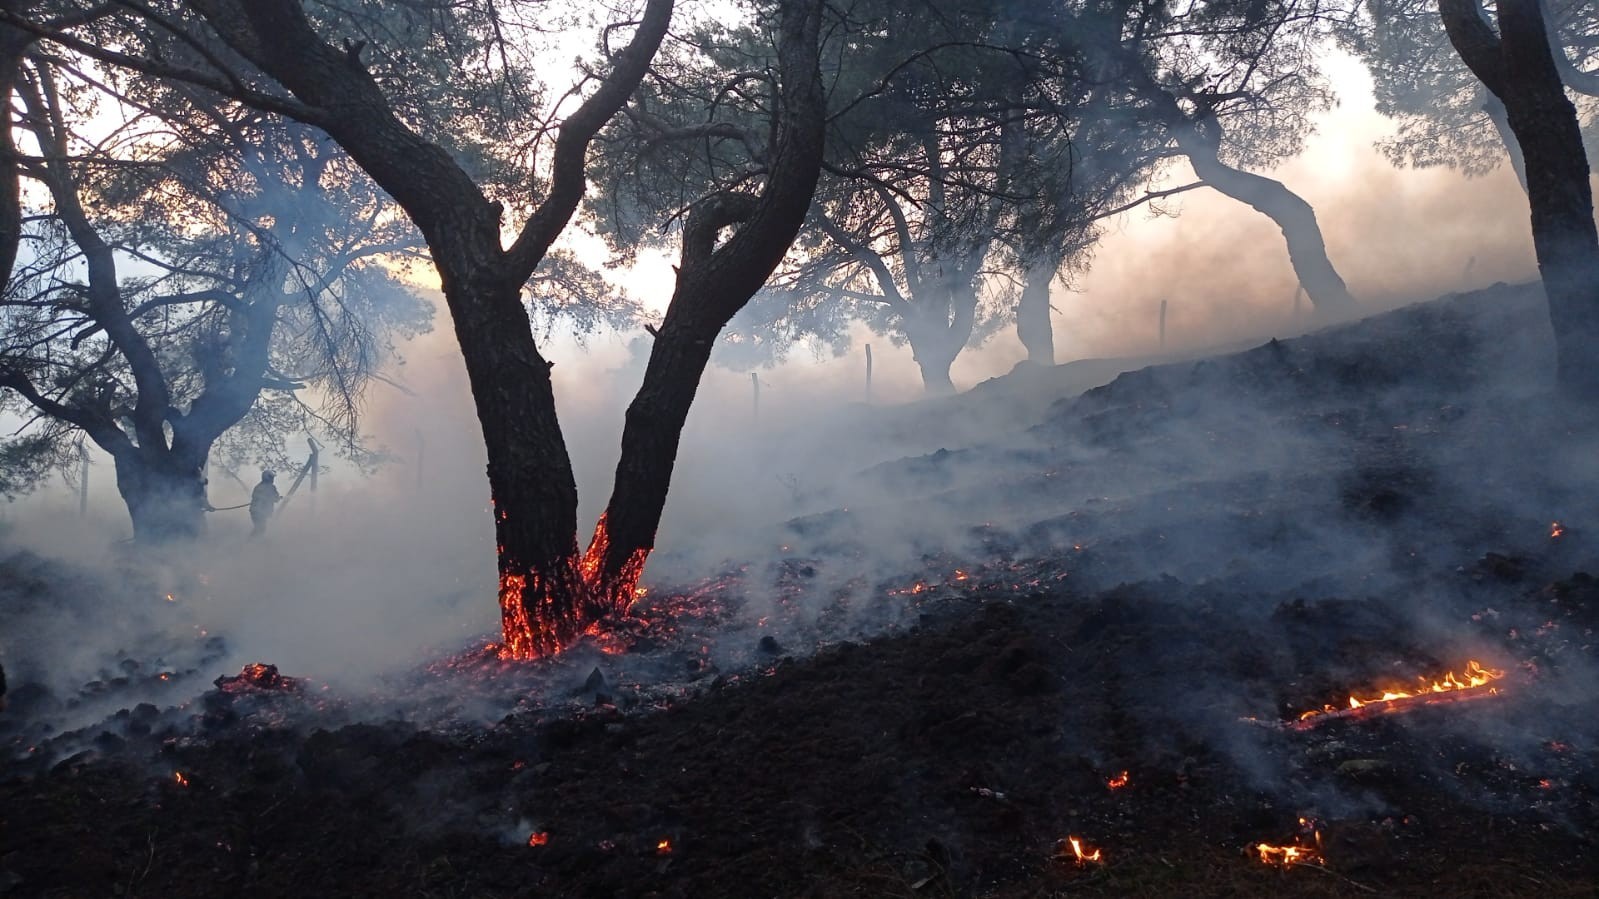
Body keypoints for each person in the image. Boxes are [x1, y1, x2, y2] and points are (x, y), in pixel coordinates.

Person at [249, 470, 281, 537]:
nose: (273, 479)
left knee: (259, 528)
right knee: (260, 528)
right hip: (258, 511)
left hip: (256, 511)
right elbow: (276, 498)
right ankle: (251, 541)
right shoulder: (270, 487)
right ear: (267, 477)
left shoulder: (259, 486)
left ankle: (251, 540)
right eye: (272, 477)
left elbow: (275, 498)